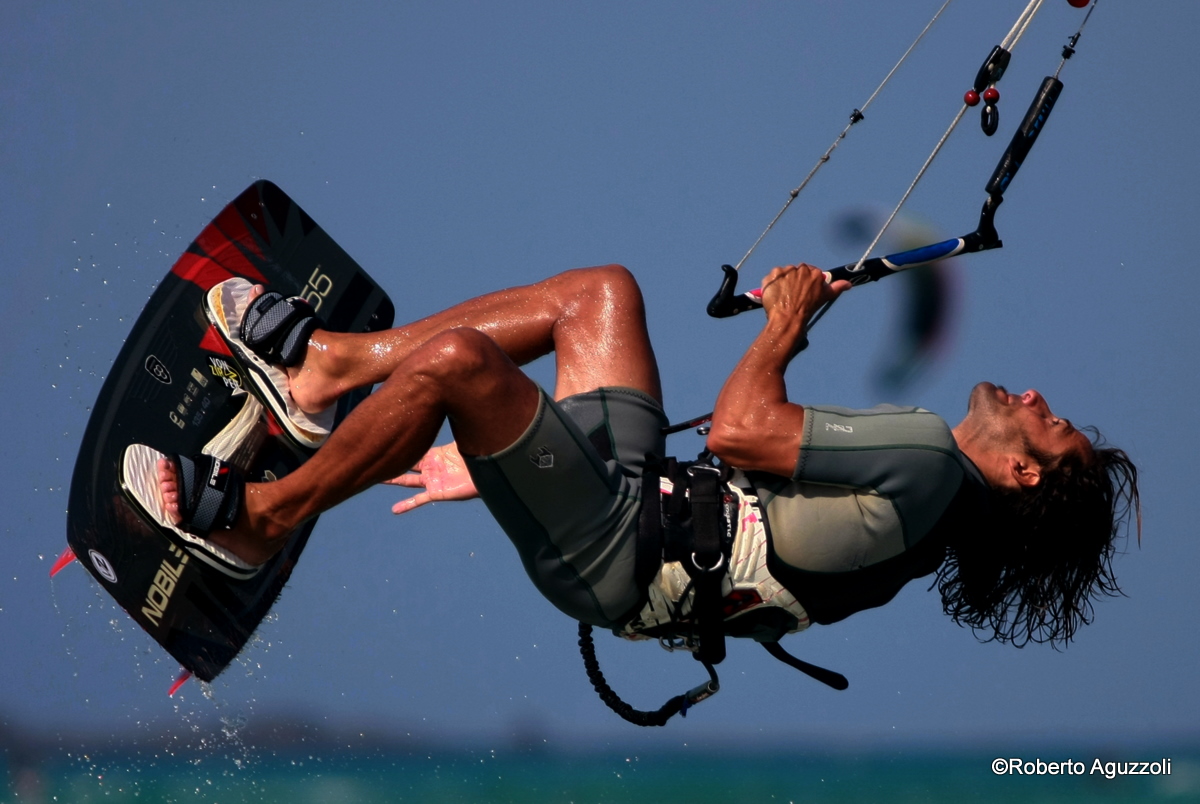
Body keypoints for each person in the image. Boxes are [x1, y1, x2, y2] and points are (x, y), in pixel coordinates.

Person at [147, 262, 1139, 651]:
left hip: (621, 543)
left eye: (1054, 430)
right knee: (602, 296)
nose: (1040, 400)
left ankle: (258, 524)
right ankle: (325, 372)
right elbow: (748, 496)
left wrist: (786, 324)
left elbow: (742, 431)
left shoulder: (929, 463)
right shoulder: (923, 507)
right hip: (631, 504)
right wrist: (506, 466)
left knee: (458, 365)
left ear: (1023, 476)